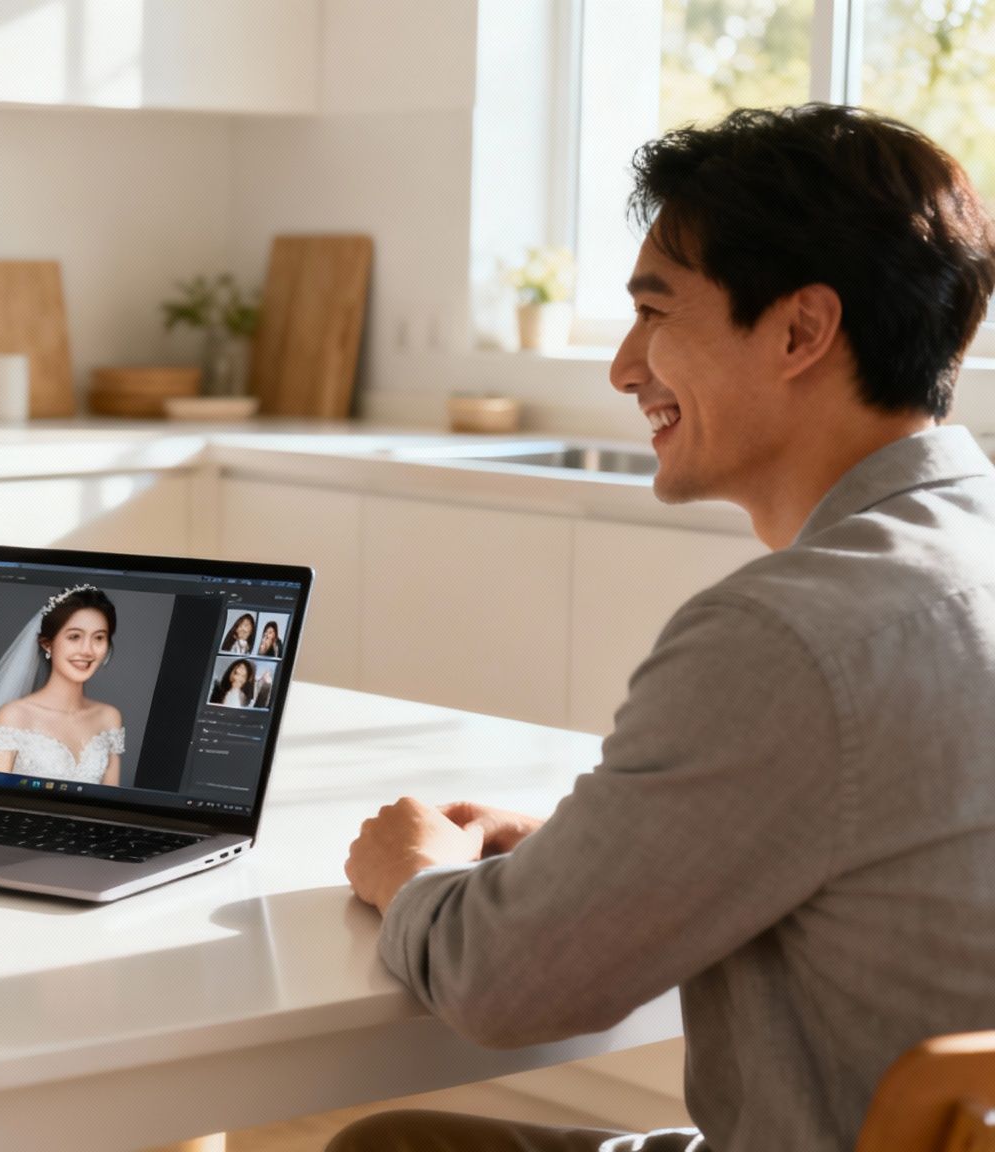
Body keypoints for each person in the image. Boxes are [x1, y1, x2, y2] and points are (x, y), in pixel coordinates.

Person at [334, 105, 995, 1152]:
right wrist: (596, 860)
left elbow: (500, 985)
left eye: (654, 314)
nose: (622, 365)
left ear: (798, 332)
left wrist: (411, 874)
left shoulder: (785, 637)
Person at [0, 586, 125, 785]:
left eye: (99, 637)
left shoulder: (109, 717)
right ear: (47, 644)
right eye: (74, 636)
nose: (87, 650)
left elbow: (110, 802)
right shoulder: (14, 715)